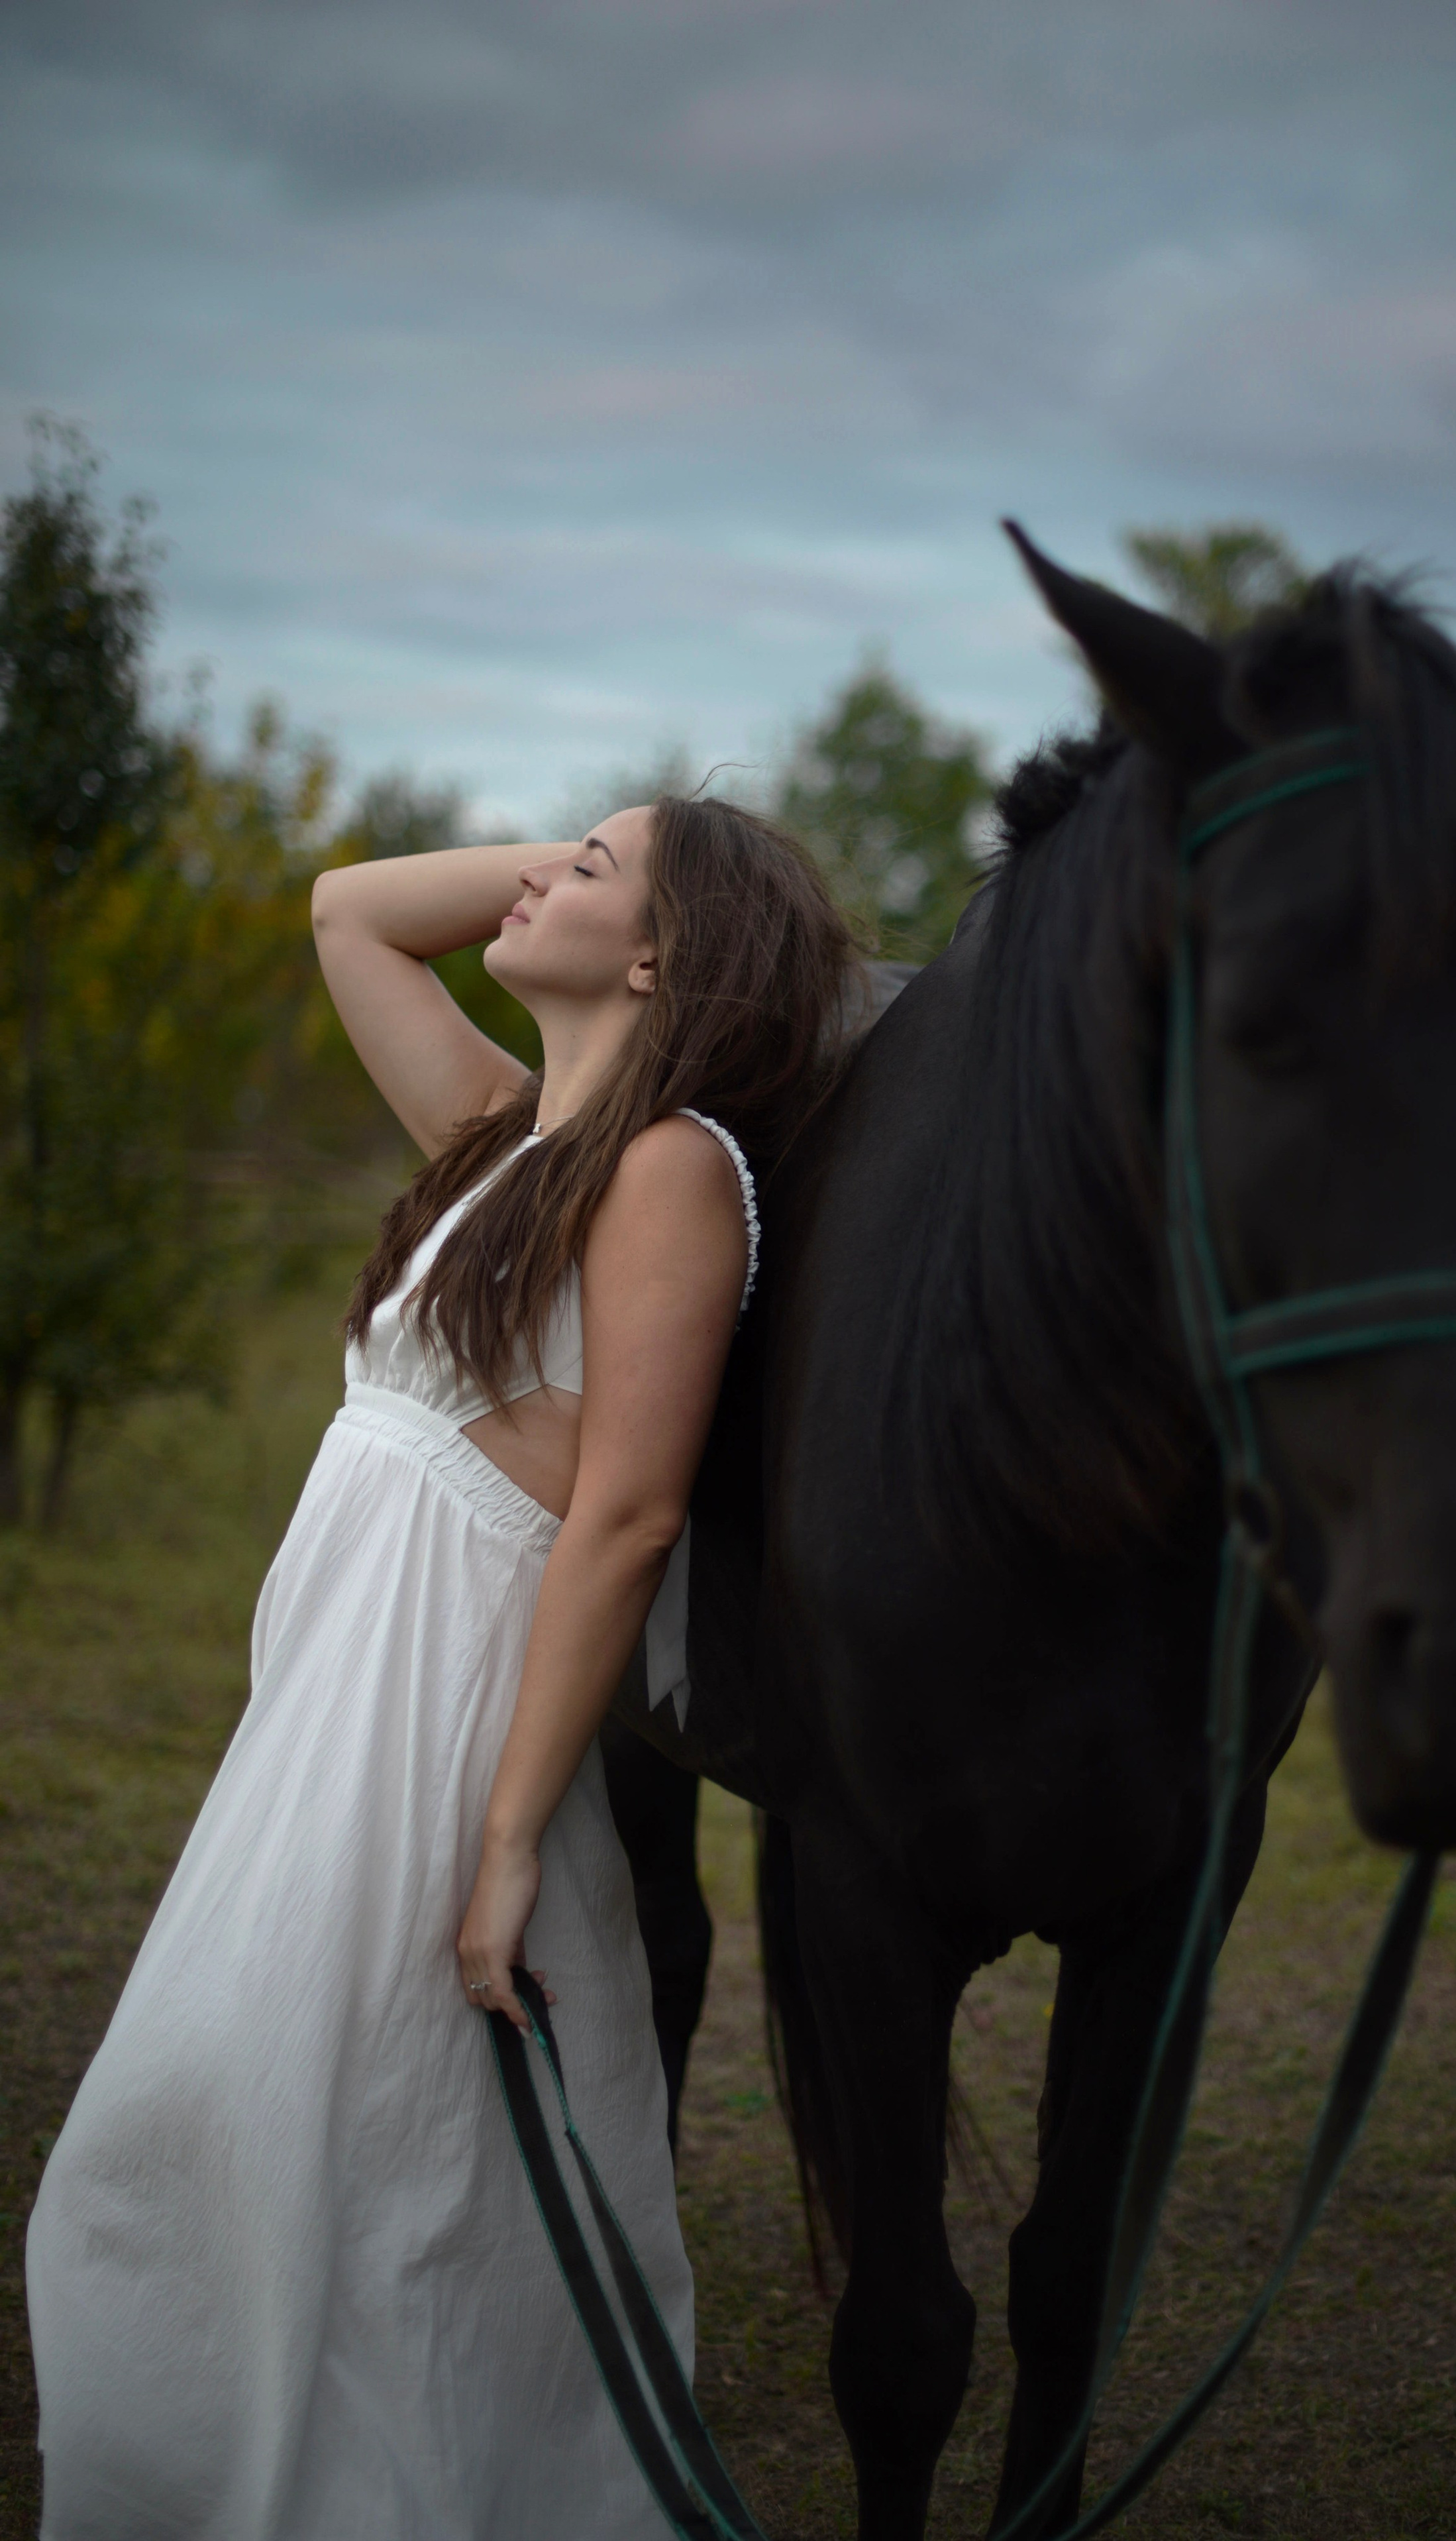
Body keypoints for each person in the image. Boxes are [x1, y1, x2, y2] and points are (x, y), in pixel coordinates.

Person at [26, 793, 856, 2538]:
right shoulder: (502, 1135)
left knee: (339, 2147)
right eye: (557, 843)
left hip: (446, 1730)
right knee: (259, 2129)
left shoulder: (673, 1169)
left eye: (589, 866)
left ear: (654, 958)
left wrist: (504, 1843)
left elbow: (624, 1517)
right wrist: (615, 860)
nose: (540, 863)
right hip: (324, 1706)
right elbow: (348, 911)